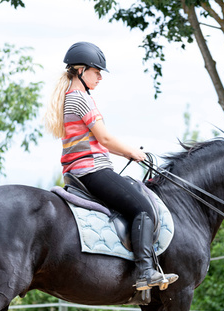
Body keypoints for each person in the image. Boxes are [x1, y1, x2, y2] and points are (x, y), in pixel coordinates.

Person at [44, 41, 178, 292]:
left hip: (78, 171)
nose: (100, 78)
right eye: (97, 72)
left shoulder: (69, 99)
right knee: (142, 208)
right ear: (81, 70)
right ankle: (145, 271)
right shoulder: (82, 99)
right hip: (92, 170)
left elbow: (100, 141)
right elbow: (104, 139)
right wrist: (133, 152)